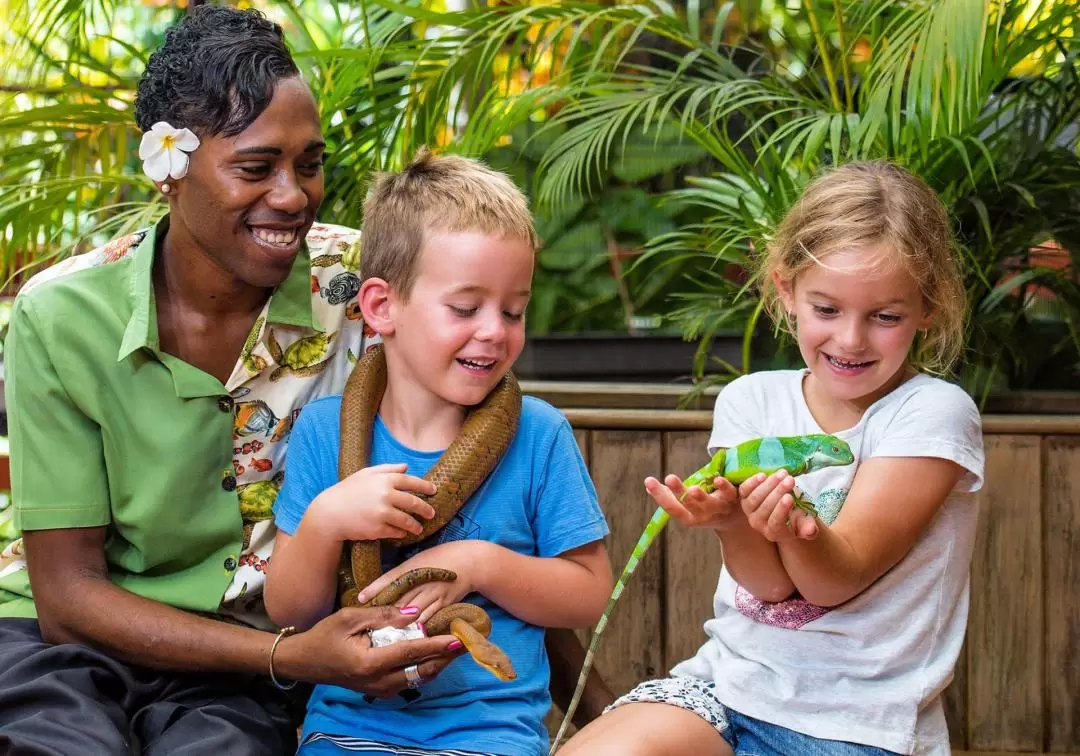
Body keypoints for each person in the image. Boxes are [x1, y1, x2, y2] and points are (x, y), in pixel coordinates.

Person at [0, 7, 609, 755]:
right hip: (69, 646)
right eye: (255, 168)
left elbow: (491, 401)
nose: (292, 195)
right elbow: (67, 599)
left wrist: (604, 711)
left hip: (249, 669)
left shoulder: (359, 284)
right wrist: (291, 655)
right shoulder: (61, 316)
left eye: (310, 164)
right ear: (169, 168)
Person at [559, 161, 985, 756]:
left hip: (857, 721)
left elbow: (834, 582)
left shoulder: (933, 412)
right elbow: (766, 583)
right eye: (827, 309)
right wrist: (733, 520)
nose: (851, 339)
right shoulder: (750, 400)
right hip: (728, 690)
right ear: (787, 291)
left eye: (885, 316)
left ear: (928, 307)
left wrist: (799, 527)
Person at [264, 148, 614, 756]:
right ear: (381, 307)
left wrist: (479, 563)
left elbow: (586, 591)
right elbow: (290, 615)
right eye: (464, 307)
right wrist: (327, 521)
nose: (495, 331)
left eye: (514, 310)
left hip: (491, 735)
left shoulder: (539, 433)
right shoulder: (325, 430)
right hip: (348, 731)